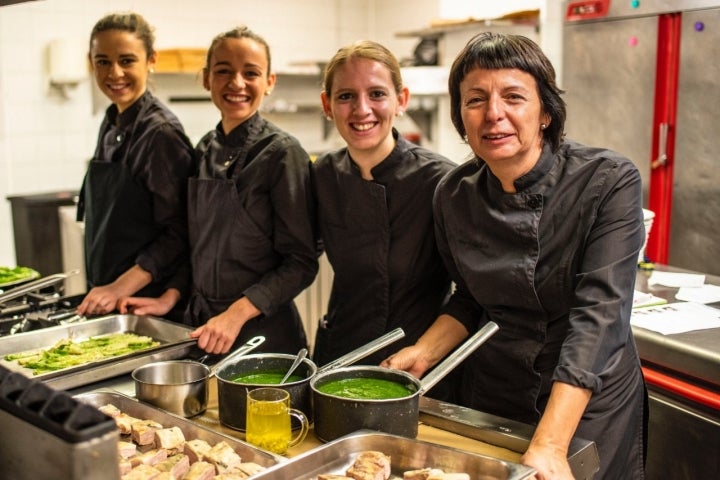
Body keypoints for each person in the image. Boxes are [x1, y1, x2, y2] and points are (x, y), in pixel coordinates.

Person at [381, 32, 647, 480]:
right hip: (497, 389)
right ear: (460, 116)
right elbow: (470, 296)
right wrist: (424, 351)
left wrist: (550, 443)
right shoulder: (453, 193)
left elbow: (600, 318)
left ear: (545, 111)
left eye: (513, 97)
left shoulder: (608, 181)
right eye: (475, 100)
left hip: (583, 401)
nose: (494, 114)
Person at [121, 26, 317, 356]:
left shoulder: (282, 153)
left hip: (263, 338)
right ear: (205, 79)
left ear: (269, 82)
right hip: (202, 328)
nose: (236, 83)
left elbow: (301, 262)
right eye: (223, 71)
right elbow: (199, 244)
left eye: (250, 73)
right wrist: (171, 295)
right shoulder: (205, 149)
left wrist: (235, 314)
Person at [311, 40, 455, 370]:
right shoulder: (323, 174)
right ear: (327, 104)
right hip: (340, 357)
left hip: (415, 365)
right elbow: (297, 256)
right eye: (346, 96)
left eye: (377, 94)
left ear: (401, 100)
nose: (362, 109)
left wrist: (425, 351)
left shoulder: (440, 181)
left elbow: (471, 297)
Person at [76, 12, 194, 321]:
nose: (114, 73)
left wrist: (118, 288)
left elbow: (179, 232)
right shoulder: (111, 120)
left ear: (150, 60)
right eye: (103, 61)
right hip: (109, 297)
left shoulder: (161, 134)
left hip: (147, 306)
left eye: (126, 61)